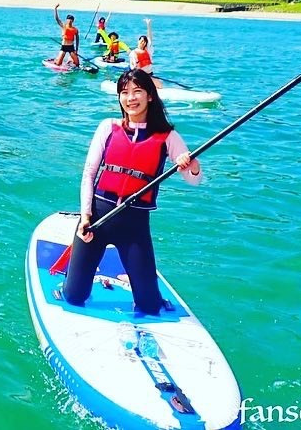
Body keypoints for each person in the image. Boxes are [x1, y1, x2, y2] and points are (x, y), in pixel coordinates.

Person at [61, 69, 202, 315]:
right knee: (74, 296)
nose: (130, 98)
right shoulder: (108, 127)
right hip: (97, 219)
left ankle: (142, 284)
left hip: (134, 225)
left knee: (150, 306)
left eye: (137, 91)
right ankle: (76, 275)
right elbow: (88, 175)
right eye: (124, 93)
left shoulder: (167, 136)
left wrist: (192, 165)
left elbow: (194, 181)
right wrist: (85, 217)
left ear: (150, 96)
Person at [129, 18, 163, 88]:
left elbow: (150, 38)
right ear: (138, 41)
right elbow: (132, 67)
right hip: (140, 76)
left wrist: (148, 25)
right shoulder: (133, 53)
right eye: (141, 41)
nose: (143, 43)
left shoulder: (148, 50)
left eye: (144, 42)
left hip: (149, 74)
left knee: (160, 84)